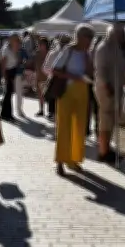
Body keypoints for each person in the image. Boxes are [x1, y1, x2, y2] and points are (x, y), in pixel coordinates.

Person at [52, 24, 94, 176]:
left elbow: (90, 73)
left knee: (79, 127)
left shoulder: (86, 54)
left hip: (82, 91)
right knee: (64, 127)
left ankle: (74, 159)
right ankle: (60, 161)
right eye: (89, 38)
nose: (90, 42)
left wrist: (89, 63)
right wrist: (73, 77)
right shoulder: (68, 50)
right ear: (81, 37)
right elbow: (54, 69)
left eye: (91, 39)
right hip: (66, 91)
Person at [93, 23, 125, 163]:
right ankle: (102, 152)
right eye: (121, 34)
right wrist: (107, 87)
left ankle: (107, 147)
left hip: (115, 89)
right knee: (105, 121)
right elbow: (100, 71)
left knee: (111, 120)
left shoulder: (116, 48)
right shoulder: (103, 48)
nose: (123, 37)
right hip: (106, 90)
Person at [0, 33, 23, 121]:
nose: (18, 43)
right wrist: (5, 77)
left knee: (9, 94)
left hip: (12, 71)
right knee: (8, 94)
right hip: (8, 72)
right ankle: (7, 114)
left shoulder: (13, 49)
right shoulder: (6, 50)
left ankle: (6, 113)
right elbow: (3, 64)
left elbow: (17, 60)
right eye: (16, 41)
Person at [33, 38, 50, 117]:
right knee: (40, 95)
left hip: (48, 77)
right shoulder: (37, 54)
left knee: (49, 95)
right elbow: (36, 65)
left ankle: (50, 111)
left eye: (41, 44)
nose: (39, 46)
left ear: (45, 45)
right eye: (39, 44)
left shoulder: (49, 54)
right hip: (39, 76)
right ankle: (41, 110)